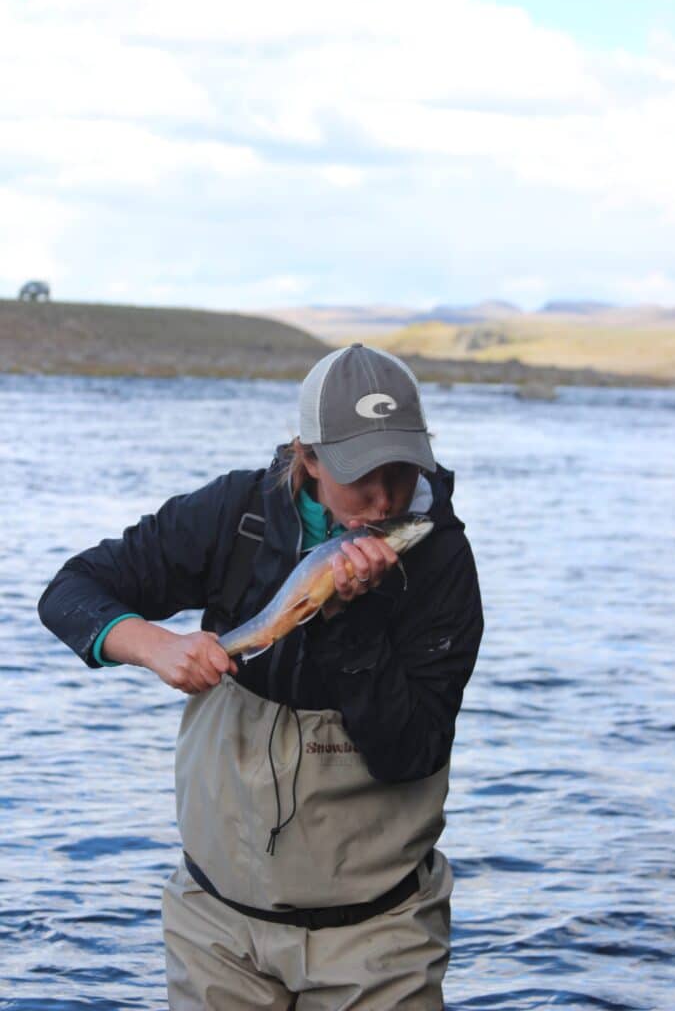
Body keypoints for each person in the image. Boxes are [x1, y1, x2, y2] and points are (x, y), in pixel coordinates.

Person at [38, 343, 484, 1010]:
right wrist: (153, 644)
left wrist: (349, 622)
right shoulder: (234, 514)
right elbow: (70, 591)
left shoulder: (439, 558)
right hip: (214, 932)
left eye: (400, 469)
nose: (384, 496)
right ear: (305, 456)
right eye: (361, 474)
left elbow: (409, 752)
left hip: (379, 942)